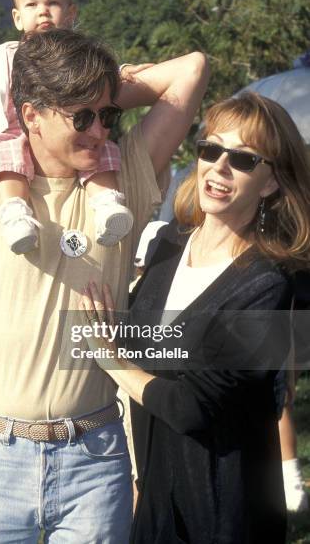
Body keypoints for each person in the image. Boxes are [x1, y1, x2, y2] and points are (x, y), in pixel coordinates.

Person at [0, 29, 208, 542]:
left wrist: (100, 91)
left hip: (96, 460)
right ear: (31, 115)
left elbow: (192, 68)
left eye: (107, 114)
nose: (100, 131)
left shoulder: (126, 180)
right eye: (82, 116)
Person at [81, 92, 310, 544]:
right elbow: (145, 347)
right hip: (152, 498)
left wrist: (107, 358)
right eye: (211, 149)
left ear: (269, 183)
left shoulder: (269, 283)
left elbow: (191, 408)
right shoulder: (167, 245)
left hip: (224, 509)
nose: (220, 168)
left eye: (243, 159)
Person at [0, 0, 138, 254]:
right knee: (4, 154)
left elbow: (98, 80)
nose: (42, 10)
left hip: (72, 131)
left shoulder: (80, 55)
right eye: (31, 5)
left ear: (70, 13)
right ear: (17, 18)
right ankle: (16, 212)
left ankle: (107, 204)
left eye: (52, 2)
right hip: (17, 132)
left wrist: (125, 72)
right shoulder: (3, 59)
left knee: (103, 150)